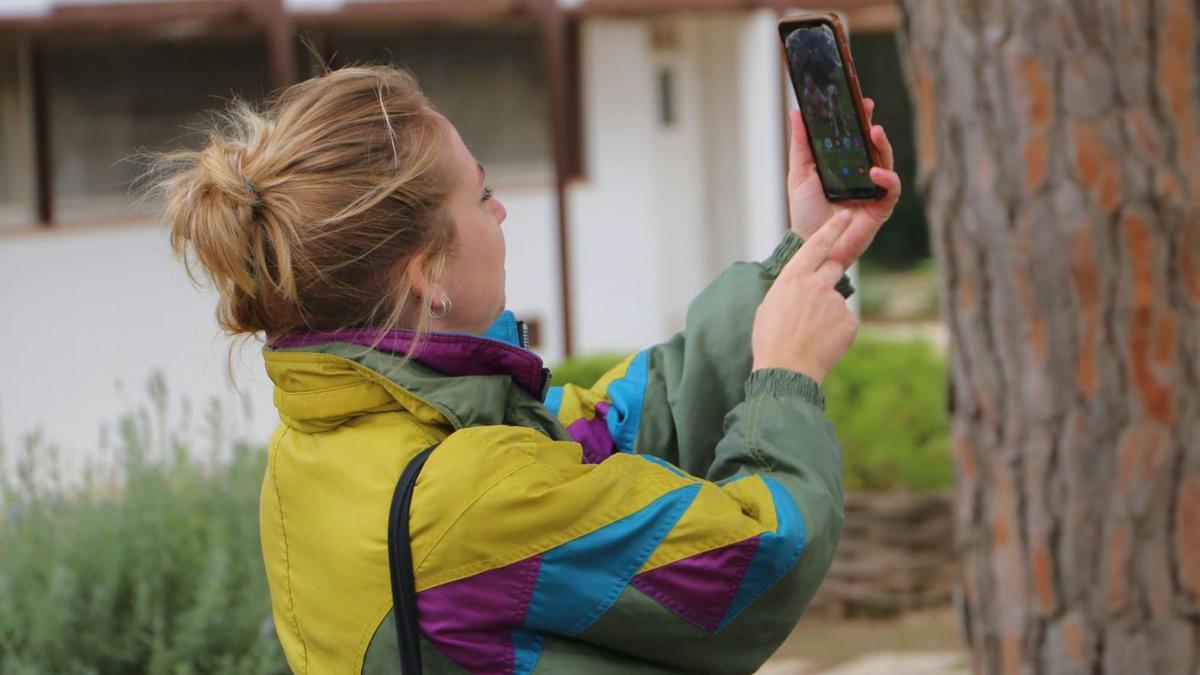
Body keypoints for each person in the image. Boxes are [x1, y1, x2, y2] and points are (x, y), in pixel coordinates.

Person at [152, 65, 899, 674]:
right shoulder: (469, 494)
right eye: (480, 195)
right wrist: (786, 376)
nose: (501, 212)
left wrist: (805, 252)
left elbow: (613, 429)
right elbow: (752, 558)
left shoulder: (330, 441)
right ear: (428, 274)